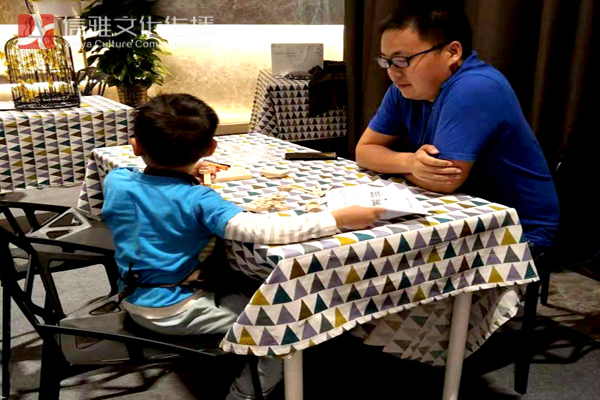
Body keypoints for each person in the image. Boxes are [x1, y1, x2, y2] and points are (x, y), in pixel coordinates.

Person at [101, 93, 384, 400]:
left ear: (136, 146)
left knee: (248, 289)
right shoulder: (199, 200)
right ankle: (243, 395)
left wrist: (182, 173)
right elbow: (264, 230)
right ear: (211, 148)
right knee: (284, 325)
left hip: (131, 295)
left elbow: (152, 189)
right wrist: (337, 219)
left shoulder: (117, 180)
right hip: (174, 310)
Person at [355, 3, 559, 254]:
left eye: (402, 60)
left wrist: (393, 163)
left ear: (452, 52)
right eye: (386, 61)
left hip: (517, 229)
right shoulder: (404, 90)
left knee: (382, 258)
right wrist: (410, 162)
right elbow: (364, 150)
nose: (393, 73)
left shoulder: (475, 87)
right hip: (460, 216)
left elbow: (444, 181)